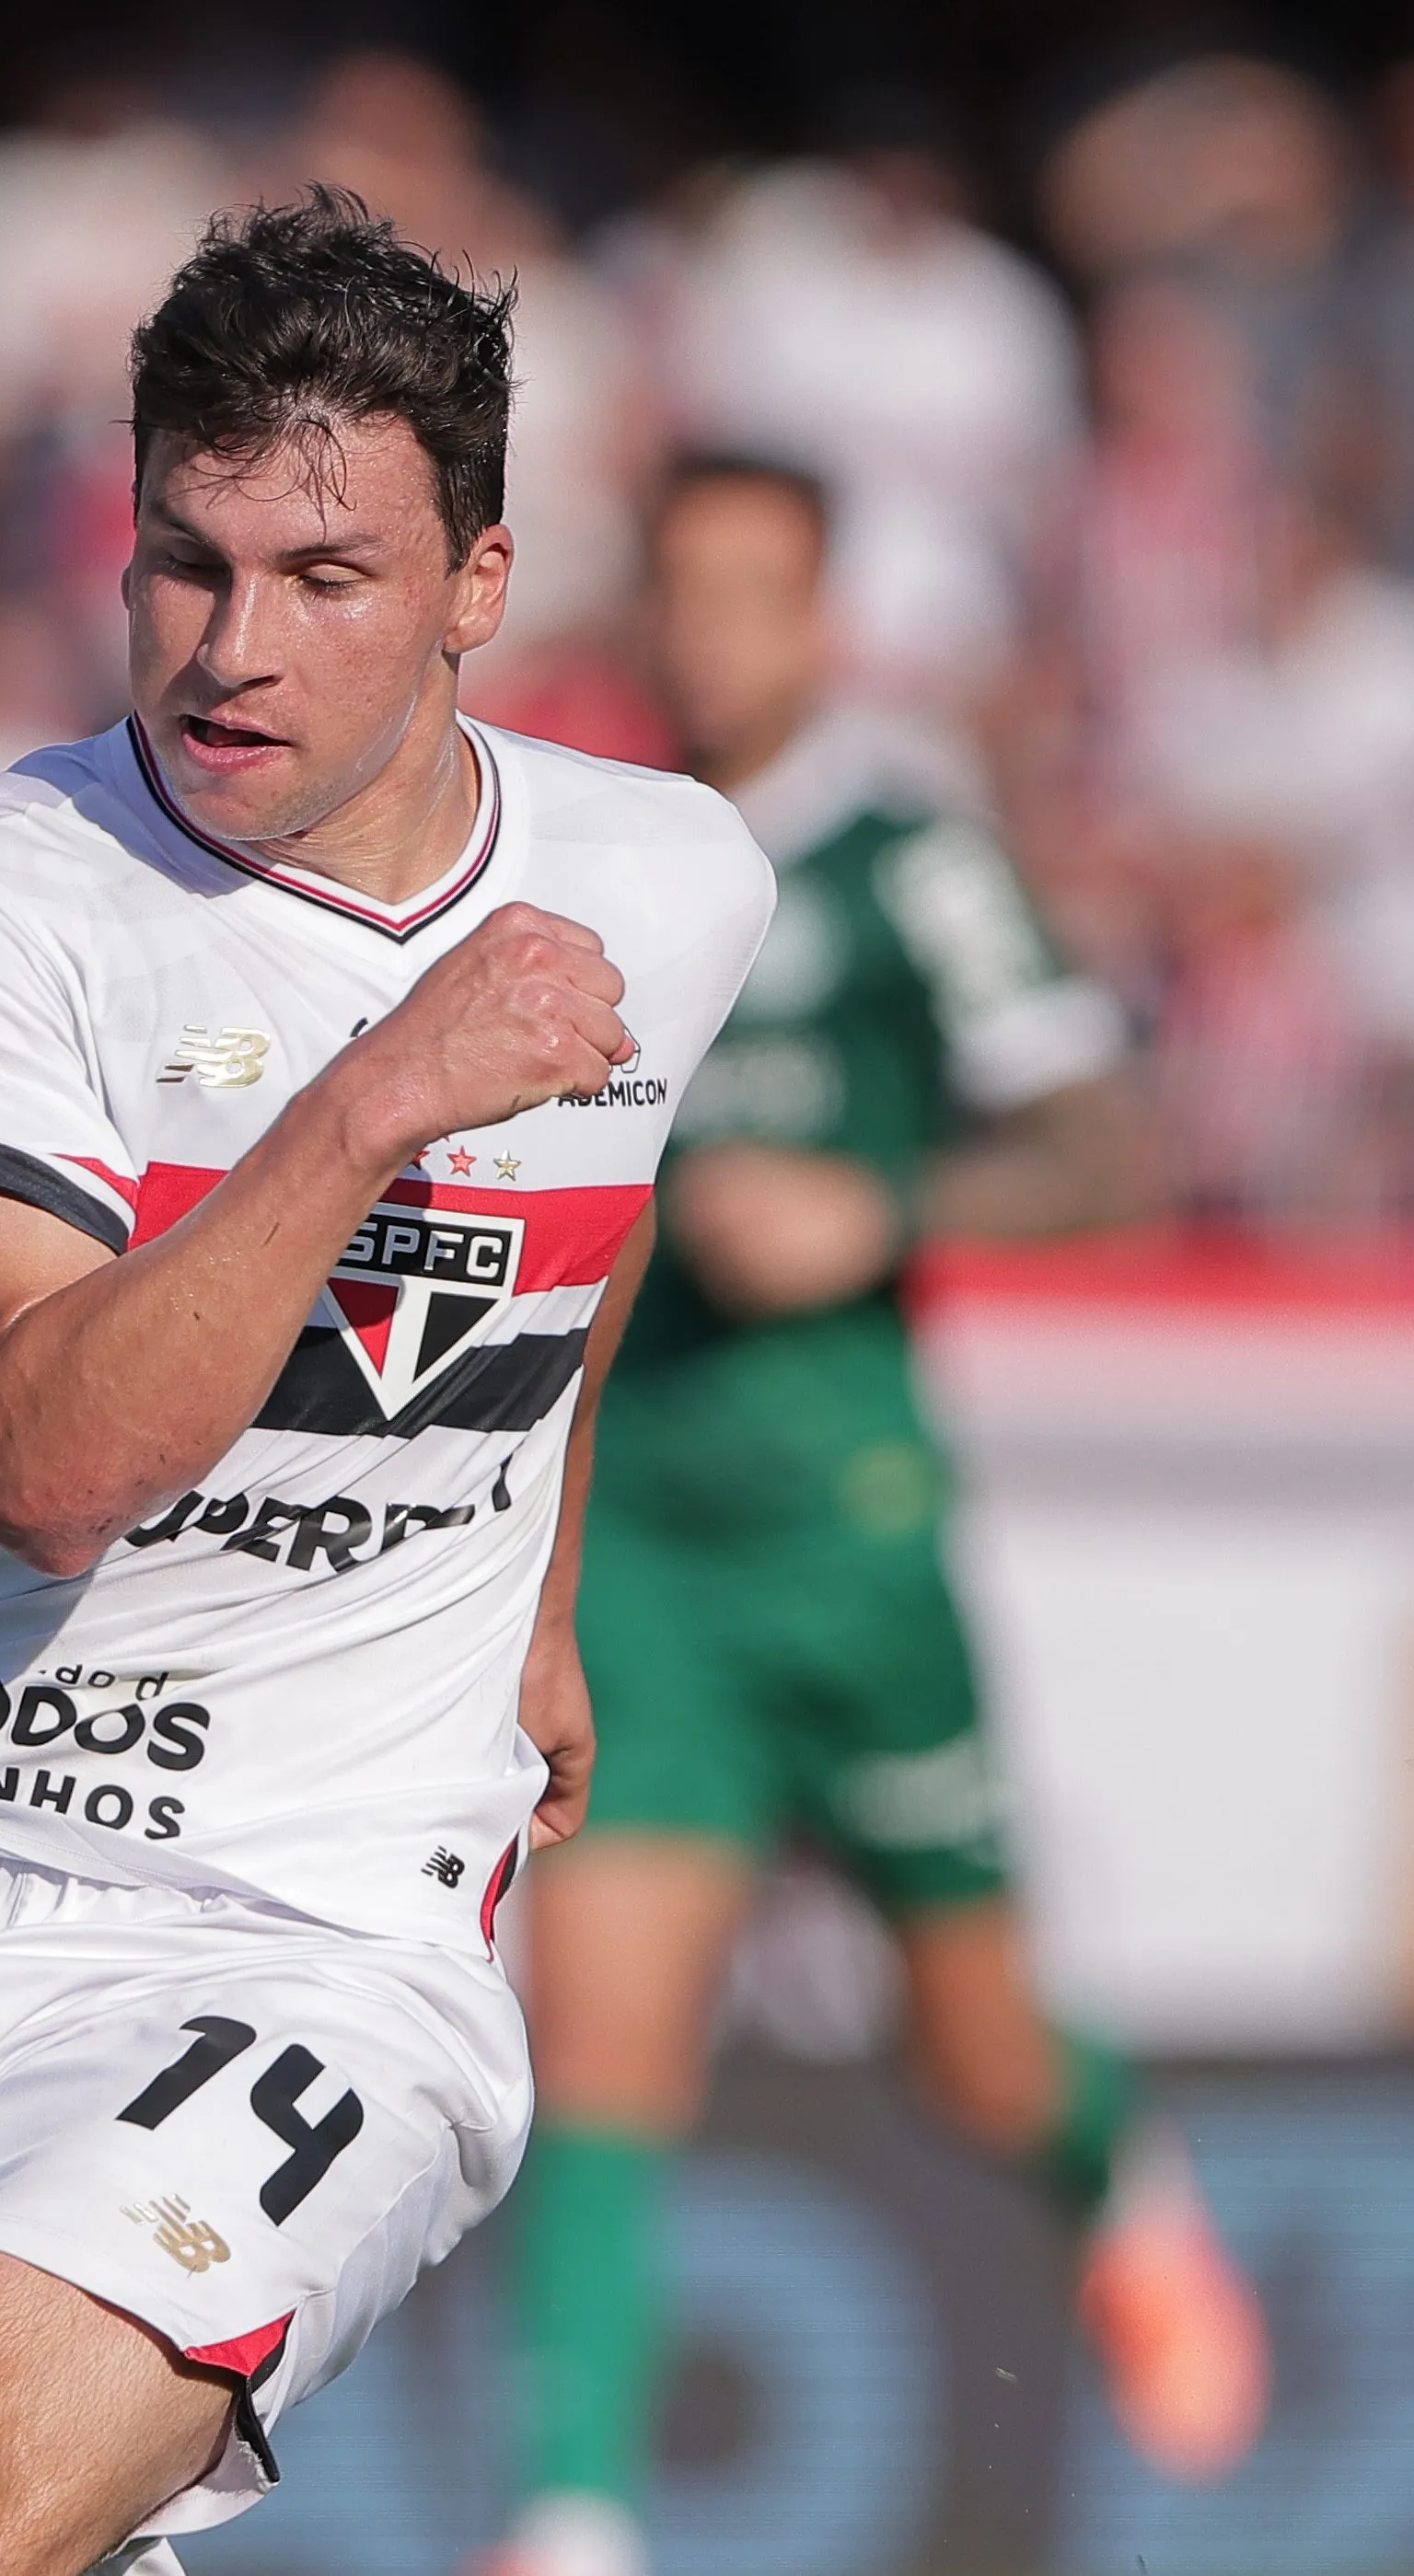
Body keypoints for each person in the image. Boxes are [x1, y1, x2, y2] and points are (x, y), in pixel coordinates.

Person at [0, 192, 776, 2576]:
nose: (230, 647)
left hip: (306, 1925)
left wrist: (541, 1598)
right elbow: (44, 1456)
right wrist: (376, 1098)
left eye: (326, 576)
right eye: (186, 563)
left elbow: (602, 1206)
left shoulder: (670, 879)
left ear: (477, 582)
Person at [474, 456, 1263, 2576]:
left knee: (973, 2042)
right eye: (686, 587)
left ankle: (1115, 2167)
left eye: (758, 590)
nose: (714, 629)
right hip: (637, 1529)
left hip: (848, 1522)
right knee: (605, 2026)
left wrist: (876, 1205)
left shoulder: (907, 857)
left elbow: (1101, 1148)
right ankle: (573, 2514)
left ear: (823, 620)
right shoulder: (576, 849)